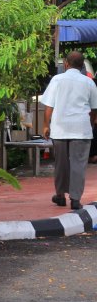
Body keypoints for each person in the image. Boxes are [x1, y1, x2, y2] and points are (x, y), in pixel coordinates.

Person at [41, 51, 97, 210]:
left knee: (61, 164)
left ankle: (60, 196)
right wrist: (91, 122)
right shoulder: (89, 82)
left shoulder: (57, 80)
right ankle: (75, 199)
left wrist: (46, 125)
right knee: (78, 164)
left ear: (66, 64)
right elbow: (94, 108)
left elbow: (49, 106)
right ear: (82, 66)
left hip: (60, 128)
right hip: (81, 128)